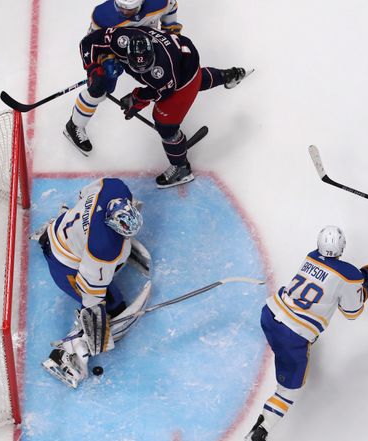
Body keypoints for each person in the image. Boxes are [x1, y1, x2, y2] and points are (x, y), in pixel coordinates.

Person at [238, 226, 368, 441]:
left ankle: (260, 426)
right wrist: (365, 288)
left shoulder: (311, 256)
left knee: (285, 366)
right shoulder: (350, 275)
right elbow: (351, 311)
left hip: (271, 314)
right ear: (342, 247)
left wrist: (360, 281)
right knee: (289, 390)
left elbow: (331, 279)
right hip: (293, 334)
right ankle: (257, 436)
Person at [74, 26, 251, 188]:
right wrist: (93, 70)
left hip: (180, 75)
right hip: (184, 55)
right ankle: (227, 75)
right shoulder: (121, 38)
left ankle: (181, 168)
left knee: (165, 124)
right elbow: (88, 42)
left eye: (146, 66)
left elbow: (163, 92)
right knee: (196, 79)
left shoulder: (161, 71)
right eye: (137, 66)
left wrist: (137, 98)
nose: (142, 70)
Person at [38, 177, 152, 388]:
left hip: (60, 228)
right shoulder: (103, 247)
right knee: (112, 305)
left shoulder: (115, 188)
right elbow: (90, 288)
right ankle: (66, 356)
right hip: (62, 264)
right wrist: (97, 323)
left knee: (104, 251)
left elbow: (84, 194)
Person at [65, 0, 183, 157]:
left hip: (148, 47)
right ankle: (74, 125)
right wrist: (94, 69)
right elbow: (90, 43)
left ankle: (168, 123)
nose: (123, 12)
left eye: (130, 9)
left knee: (167, 78)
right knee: (101, 89)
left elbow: (171, 7)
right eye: (119, 7)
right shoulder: (103, 15)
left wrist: (170, 32)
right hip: (117, 50)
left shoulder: (159, 2)